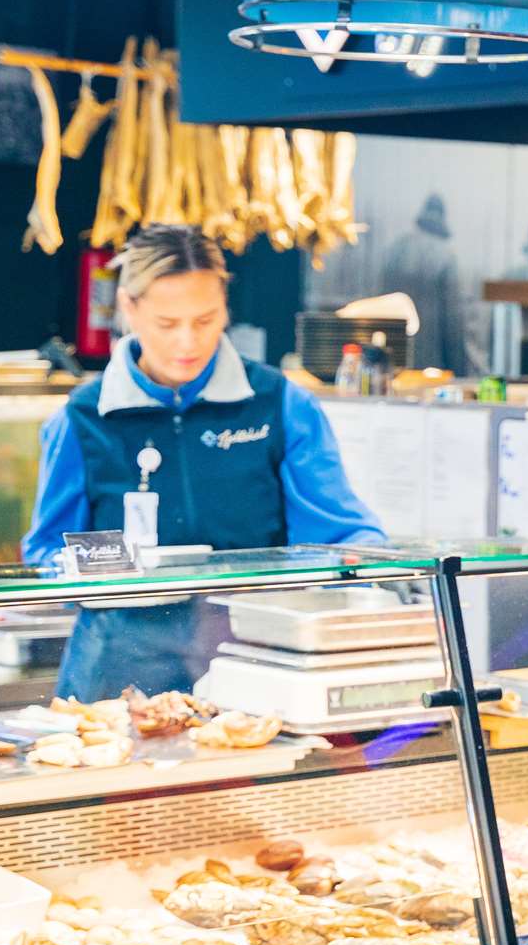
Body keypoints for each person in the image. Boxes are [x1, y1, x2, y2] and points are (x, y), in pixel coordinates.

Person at [24, 225, 384, 700]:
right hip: (116, 672)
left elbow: (342, 532)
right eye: (167, 324)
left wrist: (378, 581)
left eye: (206, 319)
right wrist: (81, 568)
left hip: (251, 660)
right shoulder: (83, 418)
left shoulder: (279, 404)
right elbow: (47, 549)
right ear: (128, 309)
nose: (187, 343)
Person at [385, 194, 477, 374]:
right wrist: (458, 372)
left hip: (391, 362)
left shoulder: (394, 250)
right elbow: (453, 323)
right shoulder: (444, 257)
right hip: (430, 366)